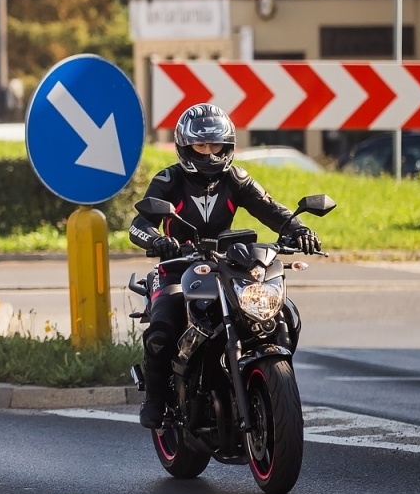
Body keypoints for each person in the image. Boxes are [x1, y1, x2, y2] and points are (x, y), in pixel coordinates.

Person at [128, 103, 322, 429]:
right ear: (185, 146)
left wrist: (298, 230)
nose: (208, 153)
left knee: (279, 310)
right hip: (177, 266)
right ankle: (156, 400)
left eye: (215, 145)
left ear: (228, 145)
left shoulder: (236, 178)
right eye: (200, 146)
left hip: (229, 265)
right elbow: (138, 224)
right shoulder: (168, 179)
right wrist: (156, 240)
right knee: (162, 329)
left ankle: (261, 375)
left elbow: (272, 210)